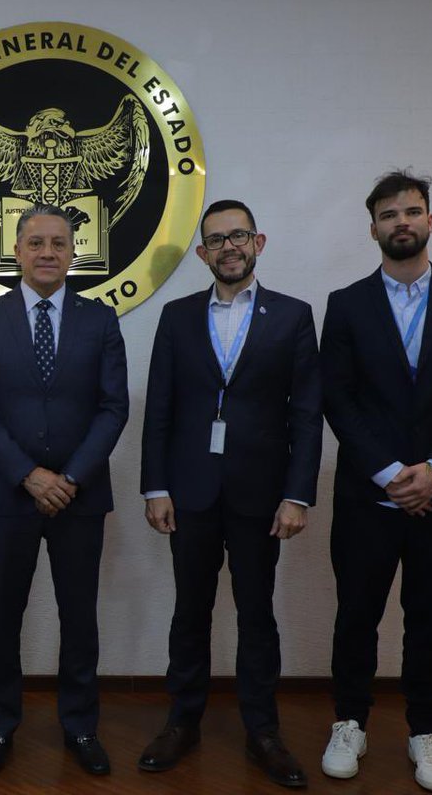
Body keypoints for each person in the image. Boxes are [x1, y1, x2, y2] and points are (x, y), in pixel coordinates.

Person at [320, 170, 432, 793]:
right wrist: (393, 473)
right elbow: (337, 399)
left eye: (412, 211)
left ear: (430, 220)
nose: (402, 222)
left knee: (429, 616)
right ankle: (350, 723)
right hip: (369, 494)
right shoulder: (345, 304)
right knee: (356, 615)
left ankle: (427, 731)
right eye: (389, 214)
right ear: (372, 228)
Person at [138, 200, 322, 788]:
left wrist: (297, 495)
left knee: (257, 615)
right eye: (216, 240)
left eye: (238, 235)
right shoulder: (175, 316)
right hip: (189, 492)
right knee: (189, 612)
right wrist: (155, 486)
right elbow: (159, 410)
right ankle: (181, 721)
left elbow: (308, 416)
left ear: (258, 242)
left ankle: (262, 730)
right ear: (202, 254)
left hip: (260, 496)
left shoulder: (293, 317)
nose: (228, 247)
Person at [0, 203, 128, 777]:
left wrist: (71, 478)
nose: (48, 252)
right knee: (3, 614)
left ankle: (80, 726)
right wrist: (28, 475)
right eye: (36, 243)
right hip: (7, 495)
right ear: (18, 251)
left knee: (79, 615)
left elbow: (113, 408)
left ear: (73, 251)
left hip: (80, 496)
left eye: (59, 243)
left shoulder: (100, 319)